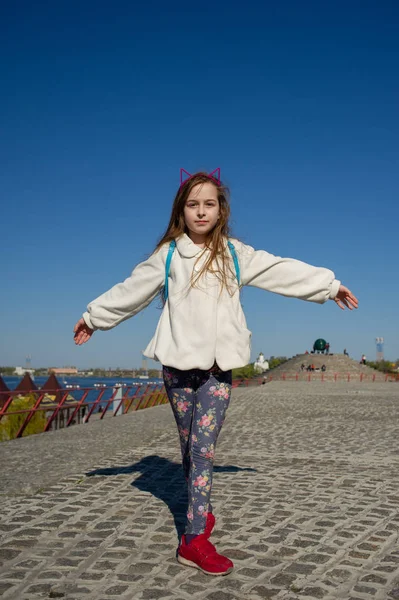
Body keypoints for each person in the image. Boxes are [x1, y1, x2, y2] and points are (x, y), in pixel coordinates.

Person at [73, 169, 358, 576]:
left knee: (204, 450)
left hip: (215, 370)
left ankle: (194, 540)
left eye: (209, 204)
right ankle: (199, 512)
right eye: (193, 205)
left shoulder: (234, 254)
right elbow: (130, 291)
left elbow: (280, 270)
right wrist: (93, 317)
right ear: (181, 211)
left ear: (220, 209)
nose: (201, 211)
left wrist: (329, 286)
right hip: (175, 370)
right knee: (191, 449)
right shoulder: (169, 255)